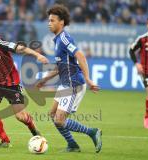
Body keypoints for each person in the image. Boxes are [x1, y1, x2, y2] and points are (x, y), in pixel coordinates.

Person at [36, 4, 102, 153]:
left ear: (62, 22)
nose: (49, 23)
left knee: (59, 119)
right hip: (65, 83)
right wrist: (45, 80)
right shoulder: (57, 40)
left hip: (74, 83)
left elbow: (80, 55)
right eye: (49, 20)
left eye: (52, 20)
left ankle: (92, 132)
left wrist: (88, 78)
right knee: (53, 115)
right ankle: (72, 144)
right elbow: (60, 67)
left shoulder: (65, 38)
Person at [129, 17, 148, 129]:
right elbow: (131, 50)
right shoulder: (142, 39)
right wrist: (136, 63)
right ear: (147, 25)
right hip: (146, 72)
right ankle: (147, 116)